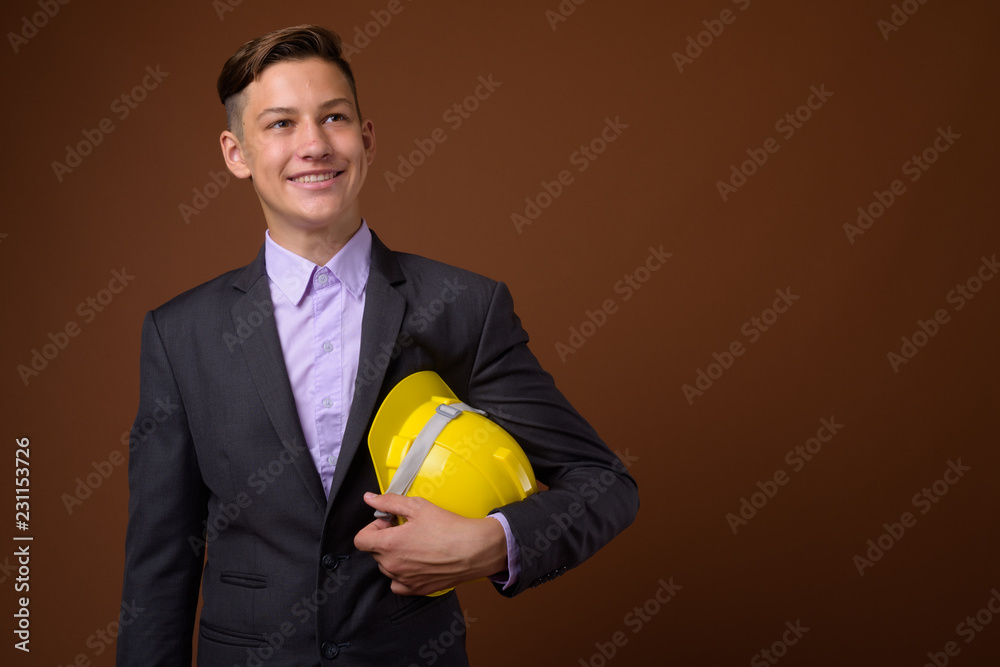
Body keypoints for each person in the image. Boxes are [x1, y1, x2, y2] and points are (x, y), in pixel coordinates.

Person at [117, 24, 638, 666]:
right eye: (281, 124)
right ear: (236, 153)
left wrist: (490, 542)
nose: (313, 144)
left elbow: (604, 484)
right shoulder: (179, 334)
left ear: (366, 138)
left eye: (333, 117)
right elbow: (160, 564)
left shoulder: (464, 307)